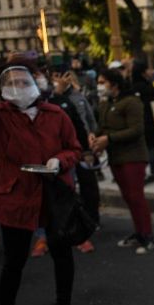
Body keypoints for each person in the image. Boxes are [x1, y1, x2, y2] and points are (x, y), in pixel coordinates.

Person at [0, 61, 82, 305]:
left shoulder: (56, 114)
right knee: (13, 260)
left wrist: (59, 161)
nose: (18, 88)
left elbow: (74, 148)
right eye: (11, 83)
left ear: (37, 83)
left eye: (24, 81)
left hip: (53, 194)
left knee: (61, 253)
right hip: (15, 197)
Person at [91, 69, 154, 254]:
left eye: (103, 81)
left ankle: (147, 235)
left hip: (133, 157)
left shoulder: (132, 102)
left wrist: (108, 139)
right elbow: (101, 127)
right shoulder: (106, 104)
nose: (100, 85)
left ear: (114, 83)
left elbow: (136, 130)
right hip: (116, 157)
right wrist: (94, 136)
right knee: (128, 197)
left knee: (137, 197)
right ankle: (138, 233)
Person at [50, 68, 100, 253]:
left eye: (67, 76)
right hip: (60, 155)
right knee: (67, 192)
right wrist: (57, 93)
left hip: (80, 149)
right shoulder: (47, 98)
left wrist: (88, 146)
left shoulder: (77, 96)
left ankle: (91, 222)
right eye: (59, 75)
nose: (64, 79)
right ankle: (70, 228)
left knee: (89, 188)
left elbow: (85, 121)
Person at [131, 61, 154, 183]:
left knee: (151, 148)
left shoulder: (134, 86)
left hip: (146, 122)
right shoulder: (144, 86)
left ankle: (153, 173)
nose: (150, 72)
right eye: (148, 70)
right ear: (142, 72)